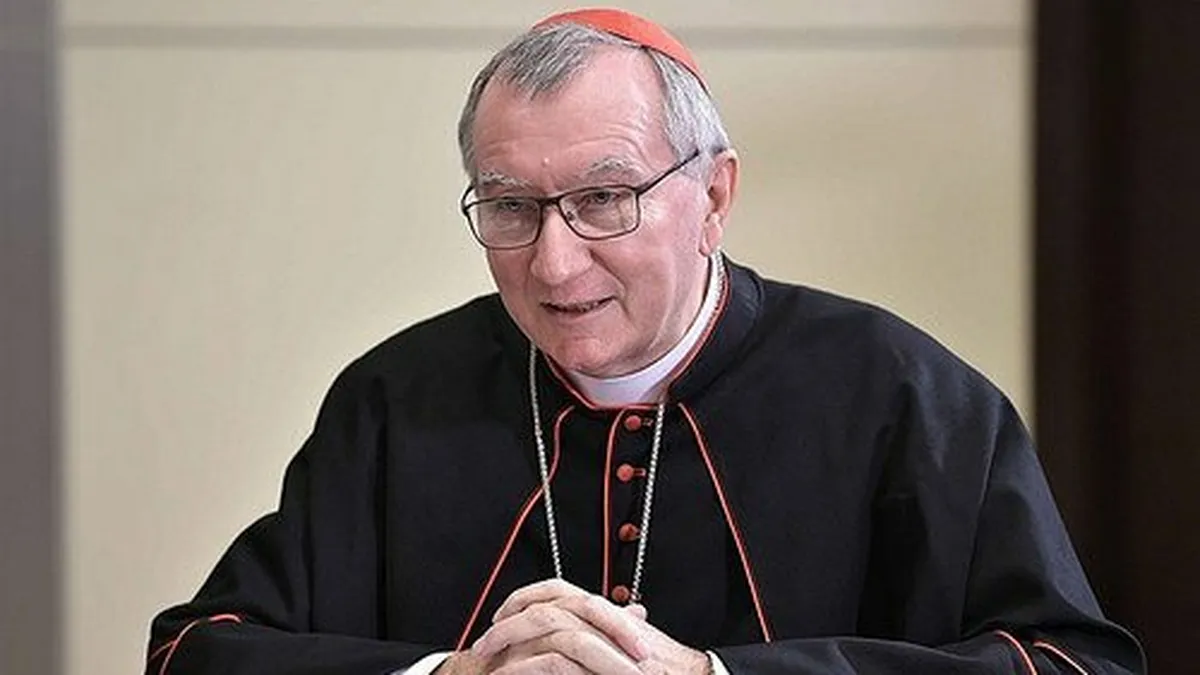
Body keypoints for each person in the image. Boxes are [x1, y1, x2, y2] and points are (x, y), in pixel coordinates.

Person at [145, 8, 1145, 675]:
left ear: (713, 197)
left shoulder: (899, 392)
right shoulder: (397, 397)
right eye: (510, 207)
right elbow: (195, 651)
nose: (555, 264)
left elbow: (1071, 663)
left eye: (604, 199)